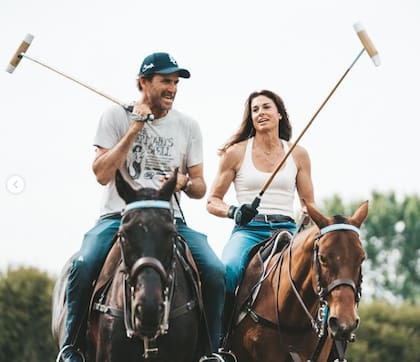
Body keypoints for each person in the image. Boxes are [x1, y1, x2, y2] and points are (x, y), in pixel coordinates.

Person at [57, 52, 228, 362]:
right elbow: (101, 174)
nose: (173, 89)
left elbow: (201, 187)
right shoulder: (115, 117)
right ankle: (70, 348)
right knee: (83, 265)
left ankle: (211, 351)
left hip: (168, 219)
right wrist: (134, 128)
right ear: (143, 82)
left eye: (176, 83)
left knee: (215, 271)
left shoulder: (188, 126)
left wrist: (183, 183)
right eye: (165, 81)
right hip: (119, 216)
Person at [206, 89, 315, 337]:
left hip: (287, 231)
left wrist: (308, 213)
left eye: (266, 107)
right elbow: (212, 201)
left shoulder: (298, 154)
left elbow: (309, 203)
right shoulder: (235, 153)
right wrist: (233, 212)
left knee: (320, 274)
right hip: (249, 231)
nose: (260, 113)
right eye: (255, 110)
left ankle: (330, 348)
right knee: (226, 274)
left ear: (279, 114)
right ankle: (216, 344)